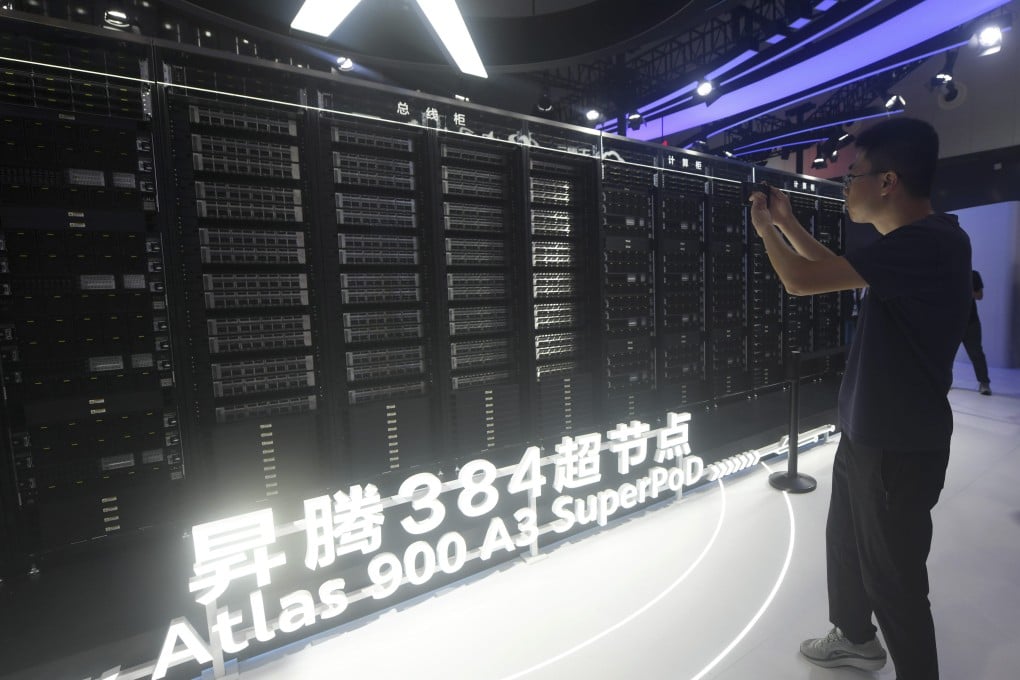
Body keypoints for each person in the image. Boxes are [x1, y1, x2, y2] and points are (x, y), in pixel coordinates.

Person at [748, 117, 971, 680]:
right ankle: (854, 638)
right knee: (846, 548)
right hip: (868, 432)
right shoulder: (917, 243)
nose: (846, 187)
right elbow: (830, 269)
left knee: (894, 580)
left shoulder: (929, 241)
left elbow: (801, 280)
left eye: (854, 176)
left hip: (897, 445)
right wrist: (789, 222)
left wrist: (764, 231)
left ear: (889, 181)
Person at [961, 269, 991, 395]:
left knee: (976, 353)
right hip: (952, 321)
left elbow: (980, 295)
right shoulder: (949, 273)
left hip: (971, 322)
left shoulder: (973, 274)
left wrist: (967, 292)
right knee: (946, 353)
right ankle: (944, 382)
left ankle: (984, 383)